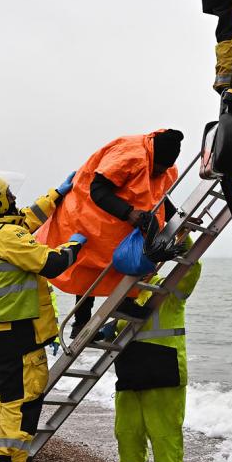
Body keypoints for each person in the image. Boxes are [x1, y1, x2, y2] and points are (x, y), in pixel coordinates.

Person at [0, 173, 84, 462]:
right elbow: (50, 263)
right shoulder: (7, 236)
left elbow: (26, 221)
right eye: (9, 196)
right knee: (25, 400)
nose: (15, 200)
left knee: (7, 397)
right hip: (14, 333)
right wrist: (75, 244)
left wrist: (55, 195)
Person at [36, 129, 183, 335]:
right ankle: (81, 324)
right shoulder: (129, 155)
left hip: (118, 221)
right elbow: (98, 189)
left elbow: (157, 194)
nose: (159, 174)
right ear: (153, 157)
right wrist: (129, 213)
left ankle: (125, 302)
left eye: (163, 171)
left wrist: (177, 217)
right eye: (157, 170)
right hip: (88, 211)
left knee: (134, 258)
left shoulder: (166, 168)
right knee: (89, 265)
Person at [110, 240, 201, 462]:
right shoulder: (125, 293)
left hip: (164, 371)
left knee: (164, 435)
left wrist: (184, 241)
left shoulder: (168, 288)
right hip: (130, 371)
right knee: (127, 431)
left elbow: (191, 270)